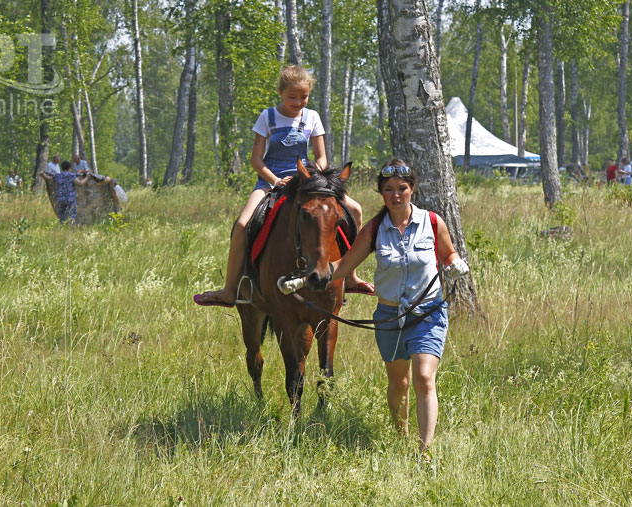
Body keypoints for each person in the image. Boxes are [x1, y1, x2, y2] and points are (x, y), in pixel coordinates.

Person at [281, 159, 469, 457]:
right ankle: (401, 435)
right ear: (381, 193)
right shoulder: (373, 229)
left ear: (412, 189)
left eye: (402, 189)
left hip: (428, 313)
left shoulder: (433, 222)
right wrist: (302, 281)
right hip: (388, 316)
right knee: (400, 383)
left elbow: (447, 254)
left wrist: (456, 264)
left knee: (423, 377)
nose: (396, 195)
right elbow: (342, 266)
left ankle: (425, 452)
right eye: (389, 189)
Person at [195, 64, 371, 307]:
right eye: (292, 97)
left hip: (306, 181)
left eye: (304, 97)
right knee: (243, 225)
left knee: (357, 210)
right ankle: (229, 289)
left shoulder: (313, 117)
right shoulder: (267, 117)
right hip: (271, 181)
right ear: (279, 92)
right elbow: (256, 160)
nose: (298, 102)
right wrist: (276, 180)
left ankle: (349, 276)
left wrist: (312, 178)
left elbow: (321, 158)